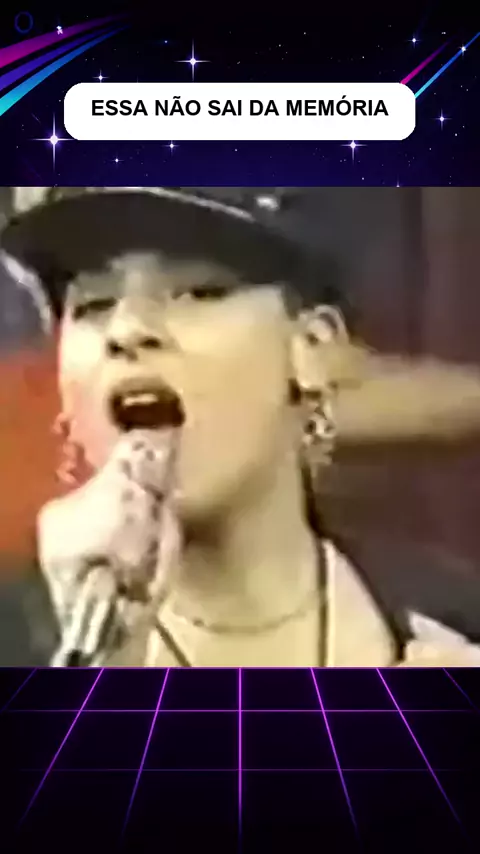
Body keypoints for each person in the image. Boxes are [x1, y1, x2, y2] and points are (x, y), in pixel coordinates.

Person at [2, 185, 480, 667]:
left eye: (197, 292)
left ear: (314, 348)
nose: (126, 330)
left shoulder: (452, 615)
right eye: (93, 305)